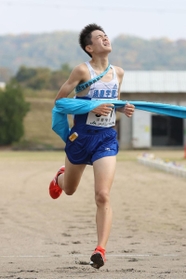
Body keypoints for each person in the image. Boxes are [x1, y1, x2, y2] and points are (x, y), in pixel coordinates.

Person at [49, 23, 135, 269]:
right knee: (70, 190)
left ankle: (100, 250)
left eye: (106, 36)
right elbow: (60, 102)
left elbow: (113, 104)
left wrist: (123, 108)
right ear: (89, 47)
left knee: (103, 194)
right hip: (81, 137)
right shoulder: (81, 71)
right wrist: (90, 106)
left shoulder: (118, 72)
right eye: (100, 37)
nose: (106, 39)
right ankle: (59, 178)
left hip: (106, 138)